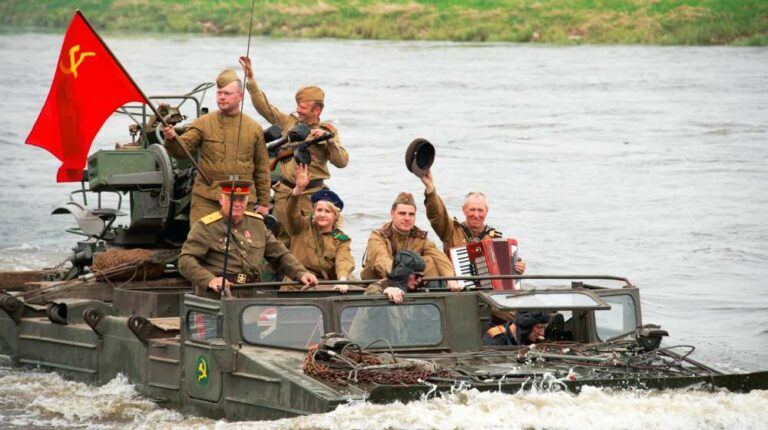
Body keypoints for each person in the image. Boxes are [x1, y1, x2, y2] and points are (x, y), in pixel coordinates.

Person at [239, 56, 349, 245]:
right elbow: (266, 109)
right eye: (297, 105)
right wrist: (251, 81)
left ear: (317, 110)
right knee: (281, 239)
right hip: (285, 193)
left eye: (303, 107)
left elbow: (342, 162)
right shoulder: (289, 123)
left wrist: (327, 142)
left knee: (309, 240)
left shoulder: (328, 131)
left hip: (312, 195)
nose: (298, 110)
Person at [162, 68, 270, 224]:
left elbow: (262, 168)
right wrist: (172, 139)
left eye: (227, 93)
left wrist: (264, 203)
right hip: (208, 198)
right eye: (219, 93)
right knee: (200, 243)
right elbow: (181, 151)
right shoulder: (203, 123)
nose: (222, 97)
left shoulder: (253, 128)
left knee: (243, 245)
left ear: (240, 96)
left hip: (243, 198)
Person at [178, 180, 317, 299]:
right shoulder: (206, 227)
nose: (237, 204)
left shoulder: (256, 224)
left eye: (242, 199)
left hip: (250, 298)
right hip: (216, 299)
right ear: (221, 199)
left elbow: (279, 254)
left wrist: (301, 273)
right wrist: (210, 280)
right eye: (232, 199)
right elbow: (185, 261)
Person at [420, 169, 526, 274]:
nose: (476, 215)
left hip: (486, 290)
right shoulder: (450, 230)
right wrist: (430, 188)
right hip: (456, 288)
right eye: (472, 210)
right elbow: (437, 215)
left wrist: (518, 267)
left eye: (480, 210)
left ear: (486, 211)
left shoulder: (496, 238)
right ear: (464, 210)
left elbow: (506, 272)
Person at [360, 192, 461, 291]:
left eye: (411, 214)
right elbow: (381, 262)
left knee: (430, 261)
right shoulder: (378, 236)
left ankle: (433, 295)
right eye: (402, 213)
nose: (407, 218)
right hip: (380, 286)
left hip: (409, 284)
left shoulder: (419, 237)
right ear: (392, 214)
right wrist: (403, 278)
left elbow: (440, 258)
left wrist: (450, 278)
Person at [283, 163, 353, 292]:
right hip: (298, 284)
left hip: (325, 284)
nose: (322, 214)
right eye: (319, 210)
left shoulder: (341, 238)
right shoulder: (302, 226)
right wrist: (298, 188)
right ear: (314, 211)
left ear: (335, 216)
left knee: (357, 289)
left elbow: (344, 260)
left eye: (327, 211)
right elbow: (291, 211)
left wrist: (343, 279)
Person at [483, 311, 550, 346]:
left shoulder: (531, 339)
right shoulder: (496, 338)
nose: (542, 333)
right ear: (525, 323)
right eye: (539, 327)